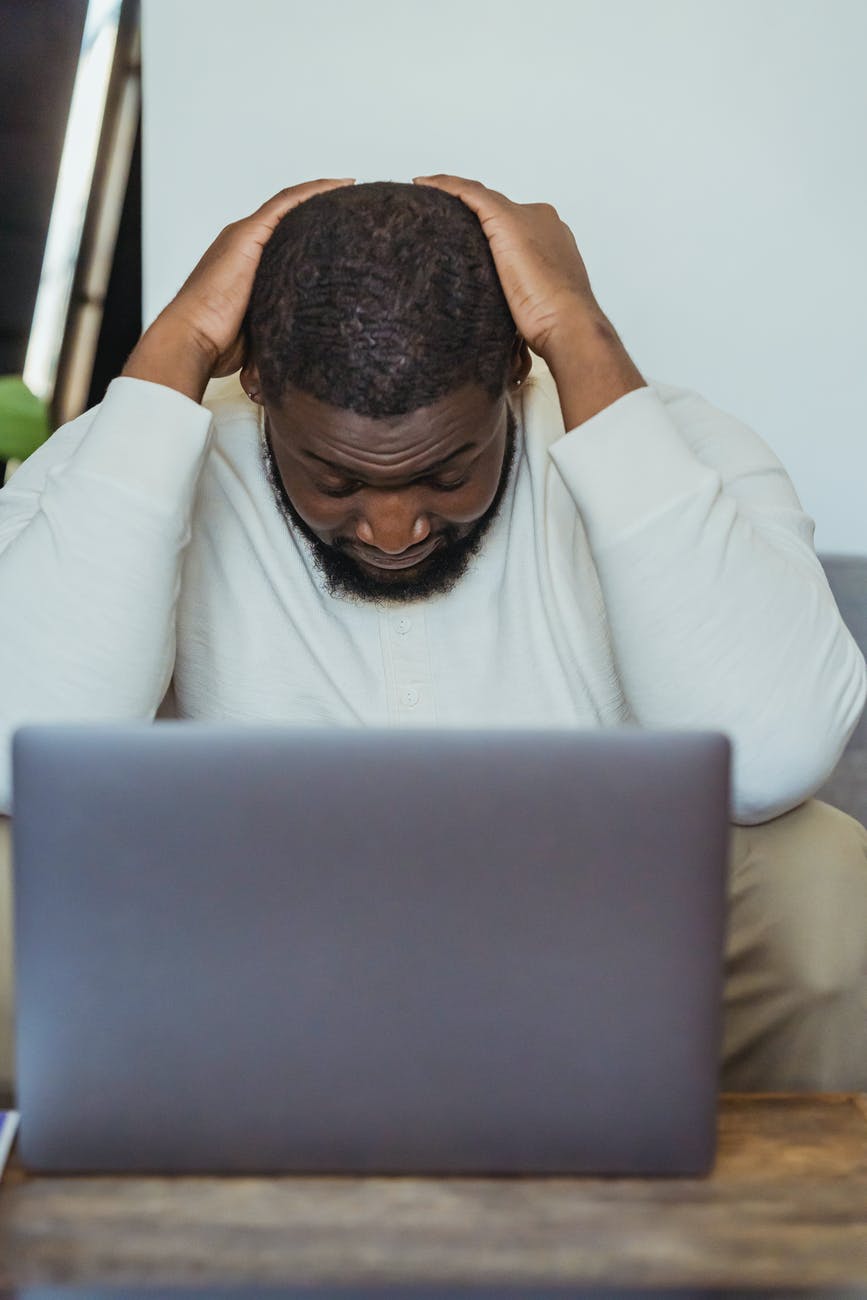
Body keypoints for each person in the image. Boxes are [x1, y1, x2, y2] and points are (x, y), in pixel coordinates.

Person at [0, 176, 865, 1093]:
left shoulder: (675, 444)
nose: (392, 529)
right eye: (335, 480)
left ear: (513, 375)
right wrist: (176, 346)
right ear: (253, 382)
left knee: (819, 872)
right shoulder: (127, 452)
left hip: (588, 950)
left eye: (447, 474)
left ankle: (780, 1218)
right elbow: (21, 759)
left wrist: (582, 337)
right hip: (231, 949)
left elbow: (774, 758)